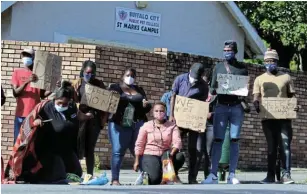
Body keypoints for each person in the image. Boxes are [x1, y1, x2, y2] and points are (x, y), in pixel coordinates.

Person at [4, 81, 92, 184]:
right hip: (48, 149)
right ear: (54, 99)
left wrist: (88, 116)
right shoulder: (45, 107)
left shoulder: (71, 107)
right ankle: (34, 173)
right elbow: (29, 121)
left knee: (76, 172)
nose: (62, 105)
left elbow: (79, 116)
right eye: (59, 103)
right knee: (59, 174)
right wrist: (35, 122)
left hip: (65, 148)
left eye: (65, 104)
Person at [202, 40, 249, 184]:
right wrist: (213, 93)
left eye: (229, 50)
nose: (227, 52)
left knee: (234, 139)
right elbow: (212, 88)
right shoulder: (218, 67)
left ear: (235, 52)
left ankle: (232, 174)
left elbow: (245, 89)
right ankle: (213, 174)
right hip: (221, 106)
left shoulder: (242, 68)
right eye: (225, 50)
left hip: (236, 107)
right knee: (218, 140)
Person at [253, 49, 297, 184]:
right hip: (268, 118)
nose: (269, 63)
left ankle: (286, 175)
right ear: (264, 62)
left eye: (272, 61)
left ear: (276, 62)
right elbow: (256, 96)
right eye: (267, 61)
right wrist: (255, 103)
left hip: (284, 119)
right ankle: (270, 176)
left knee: (285, 146)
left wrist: (295, 105)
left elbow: (292, 96)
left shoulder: (286, 77)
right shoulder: (259, 79)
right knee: (271, 147)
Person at [108, 68, 152, 185]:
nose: (130, 77)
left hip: (137, 123)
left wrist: (146, 105)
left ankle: (145, 177)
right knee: (118, 151)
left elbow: (146, 109)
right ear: (123, 76)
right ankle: (115, 179)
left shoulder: (139, 90)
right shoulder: (115, 87)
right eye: (128, 75)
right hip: (119, 124)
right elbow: (108, 103)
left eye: (133, 75)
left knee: (139, 151)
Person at [169, 63, 209, 184]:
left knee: (195, 149)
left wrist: (201, 121)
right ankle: (172, 175)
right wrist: (171, 115)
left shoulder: (203, 85)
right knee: (174, 147)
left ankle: (192, 178)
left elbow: (202, 105)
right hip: (179, 118)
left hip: (194, 120)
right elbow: (173, 97)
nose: (194, 78)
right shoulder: (180, 79)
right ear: (190, 70)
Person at [133, 102, 185, 185]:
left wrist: (171, 154)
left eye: (161, 111)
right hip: (150, 154)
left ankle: (168, 176)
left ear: (165, 112)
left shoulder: (172, 126)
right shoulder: (146, 126)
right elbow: (139, 144)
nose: (159, 113)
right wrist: (137, 161)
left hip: (166, 154)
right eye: (156, 111)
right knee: (154, 180)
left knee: (179, 156)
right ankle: (146, 175)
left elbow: (177, 142)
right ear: (153, 112)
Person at [72, 60, 108, 176]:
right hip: (80, 118)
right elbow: (74, 101)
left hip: (94, 119)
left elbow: (105, 103)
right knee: (77, 145)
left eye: (92, 73)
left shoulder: (99, 84)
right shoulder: (77, 83)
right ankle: (75, 173)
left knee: (90, 148)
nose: (90, 75)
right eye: (87, 73)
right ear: (82, 72)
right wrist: (75, 92)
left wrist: (102, 120)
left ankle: (89, 174)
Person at [11, 48, 52, 144]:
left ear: (34, 58)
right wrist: (27, 81)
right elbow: (15, 93)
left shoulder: (39, 74)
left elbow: (42, 95)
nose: (26, 58)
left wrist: (53, 88)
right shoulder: (17, 72)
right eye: (24, 55)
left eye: (28, 56)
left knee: (31, 144)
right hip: (21, 114)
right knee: (18, 143)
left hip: (34, 115)